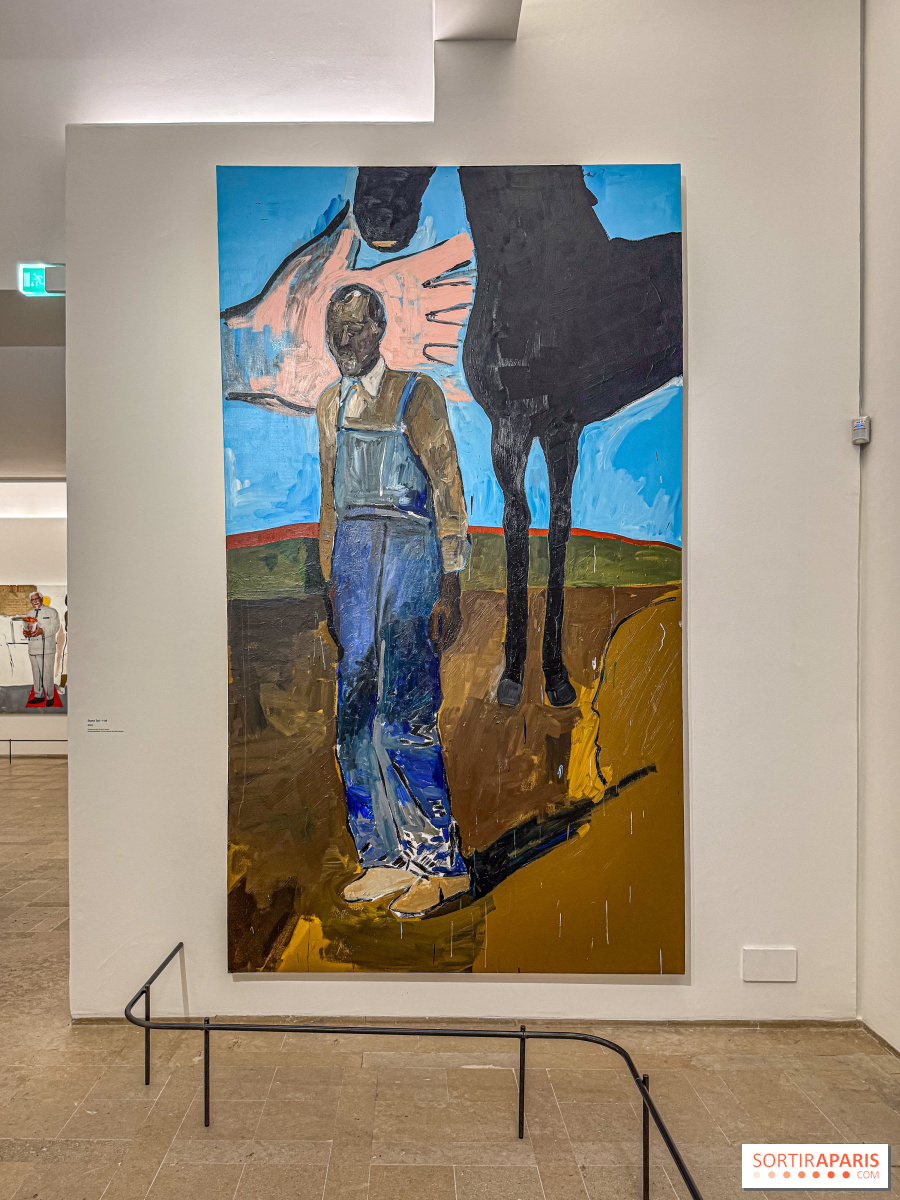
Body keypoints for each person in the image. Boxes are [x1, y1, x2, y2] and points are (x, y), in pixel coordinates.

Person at [317, 283, 470, 918]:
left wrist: (451, 579)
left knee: (404, 706)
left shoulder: (417, 393)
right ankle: (381, 857)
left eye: (355, 329)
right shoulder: (329, 406)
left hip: (410, 556)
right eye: (335, 332)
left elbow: (448, 487)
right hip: (353, 565)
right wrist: (329, 578)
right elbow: (329, 498)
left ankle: (439, 865)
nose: (344, 343)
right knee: (354, 710)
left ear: (378, 329)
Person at [22, 592, 60, 706]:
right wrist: (26, 632)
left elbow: (55, 627)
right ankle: (38, 696)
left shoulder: (52, 612)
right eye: (32, 600)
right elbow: (27, 627)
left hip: (47, 648)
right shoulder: (29, 613)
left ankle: (50, 697)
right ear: (30, 602)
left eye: (37, 599)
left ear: (41, 599)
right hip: (33, 648)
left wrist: (42, 631)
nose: (35, 601)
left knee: (47, 674)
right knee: (36, 673)